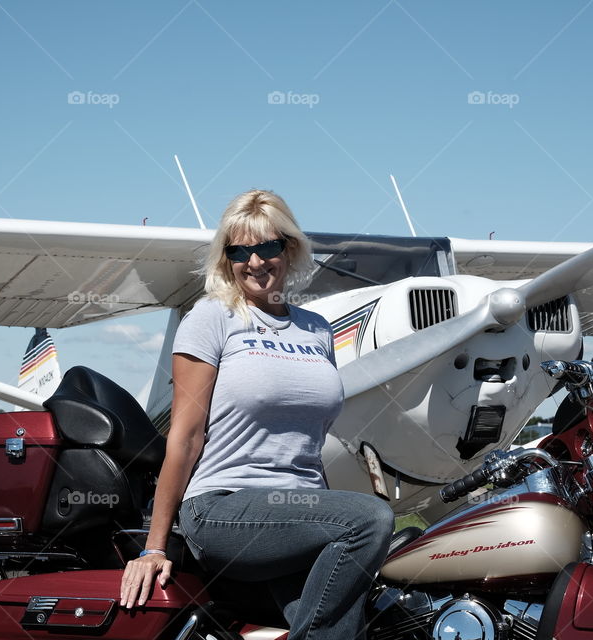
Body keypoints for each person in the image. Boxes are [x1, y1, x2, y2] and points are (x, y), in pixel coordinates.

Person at [119, 189, 394, 640]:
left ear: (288, 249)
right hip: (224, 508)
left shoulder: (317, 330)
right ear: (226, 259)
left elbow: (306, 443)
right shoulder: (212, 318)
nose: (255, 262)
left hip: (297, 514)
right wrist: (155, 544)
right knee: (370, 518)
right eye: (239, 251)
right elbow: (185, 437)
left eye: (267, 247)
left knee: (368, 621)